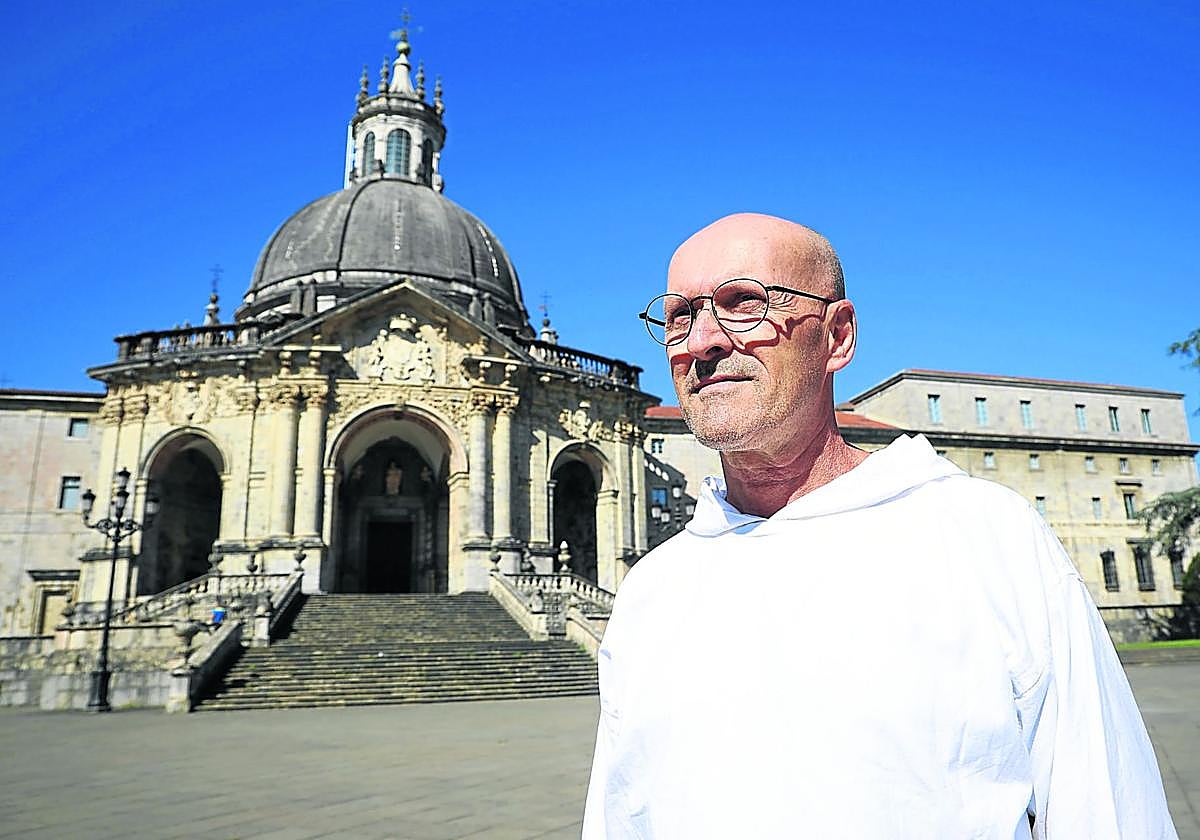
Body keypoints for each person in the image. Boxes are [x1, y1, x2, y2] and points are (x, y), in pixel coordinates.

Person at [582, 213, 1178, 839]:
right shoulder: (651, 591)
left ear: (837, 336)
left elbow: (1109, 812)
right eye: (680, 316)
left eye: (743, 304)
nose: (701, 341)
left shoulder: (987, 537)